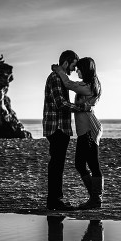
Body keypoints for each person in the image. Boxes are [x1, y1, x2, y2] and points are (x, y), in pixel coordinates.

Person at [51, 57, 103, 209]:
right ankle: (94, 198)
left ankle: (96, 199)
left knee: (93, 165)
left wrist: (59, 70)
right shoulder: (86, 84)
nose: (77, 71)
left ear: (86, 70)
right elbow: (70, 85)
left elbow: (68, 84)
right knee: (80, 164)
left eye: (79, 69)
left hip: (89, 129)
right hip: (84, 130)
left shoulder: (89, 86)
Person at [43, 50, 90, 210]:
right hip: (57, 127)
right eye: (73, 64)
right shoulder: (56, 78)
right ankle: (54, 201)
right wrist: (80, 107)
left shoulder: (59, 77)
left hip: (60, 127)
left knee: (58, 164)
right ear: (66, 62)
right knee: (56, 164)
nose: (74, 68)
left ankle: (56, 200)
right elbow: (60, 104)